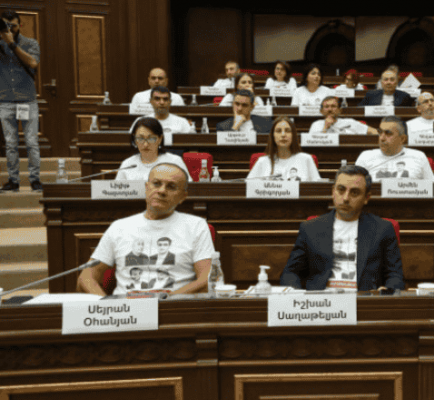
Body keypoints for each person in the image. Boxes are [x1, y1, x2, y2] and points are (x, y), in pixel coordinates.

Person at [77, 163, 215, 295]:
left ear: (182, 197)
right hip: (127, 307)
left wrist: (165, 300)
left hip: (172, 306)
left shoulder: (196, 226)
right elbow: (87, 277)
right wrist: (107, 305)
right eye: (156, 184)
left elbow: (207, 279)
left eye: (171, 187)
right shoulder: (119, 227)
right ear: (146, 187)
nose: (162, 191)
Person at [280, 165, 404, 291]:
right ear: (333, 191)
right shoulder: (311, 228)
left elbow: (395, 275)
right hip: (322, 300)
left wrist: (387, 291)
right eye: (341, 190)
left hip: (363, 299)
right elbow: (290, 272)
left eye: (354, 193)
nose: (345, 198)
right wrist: (294, 293)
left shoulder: (382, 229)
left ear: (366, 198)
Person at [0, 10, 41, 192]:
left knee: (31, 142)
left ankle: (35, 180)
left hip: (27, 101)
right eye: (6, 25)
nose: (10, 29)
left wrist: (12, 44)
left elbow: (33, 63)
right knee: (10, 144)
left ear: (20, 25)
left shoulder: (30, 43)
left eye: (13, 26)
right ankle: (13, 181)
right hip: (6, 101)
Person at [355, 116, 434, 182]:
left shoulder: (419, 156)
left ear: (402, 139)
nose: (382, 138)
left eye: (388, 133)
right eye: (380, 132)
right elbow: (354, 185)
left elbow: (433, 189)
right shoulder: (365, 156)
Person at [117, 117, 192, 182]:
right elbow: (118, 191)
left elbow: (188, 188)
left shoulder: (174, 161)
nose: (145, 144)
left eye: (151, 138)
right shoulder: (127, 164)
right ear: (134, 140)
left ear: (160, 139)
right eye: (140, 138)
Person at [247, 116, 321, 181]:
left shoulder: (306, 159)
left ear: (293, 135)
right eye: (278, 131)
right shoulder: (262, 161)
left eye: (287, 131)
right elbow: (248, 187)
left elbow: (317, 188)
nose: (283, 135)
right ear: (273, 136)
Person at [309, 96, 377, 135]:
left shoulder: (350, 122)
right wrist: (325, 127)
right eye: (326, 107)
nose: (330, 109)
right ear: (321, 111)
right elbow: (312, 143)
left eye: (333, 106)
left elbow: (374, 131)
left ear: (339, 110)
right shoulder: (316, 124)